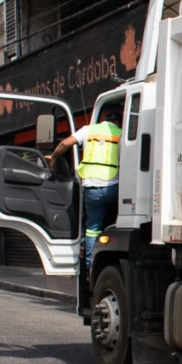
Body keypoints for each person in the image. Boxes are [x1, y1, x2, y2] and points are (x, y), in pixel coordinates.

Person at [46, 101, 122, 267]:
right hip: (114, 188)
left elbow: (64, 144)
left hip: (92, 189)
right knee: (119, 222)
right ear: (117, 122)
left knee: (93, 227)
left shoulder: (88, 130)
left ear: (103, 120)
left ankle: (90, 264)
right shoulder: (121, 134)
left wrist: (53, 158)